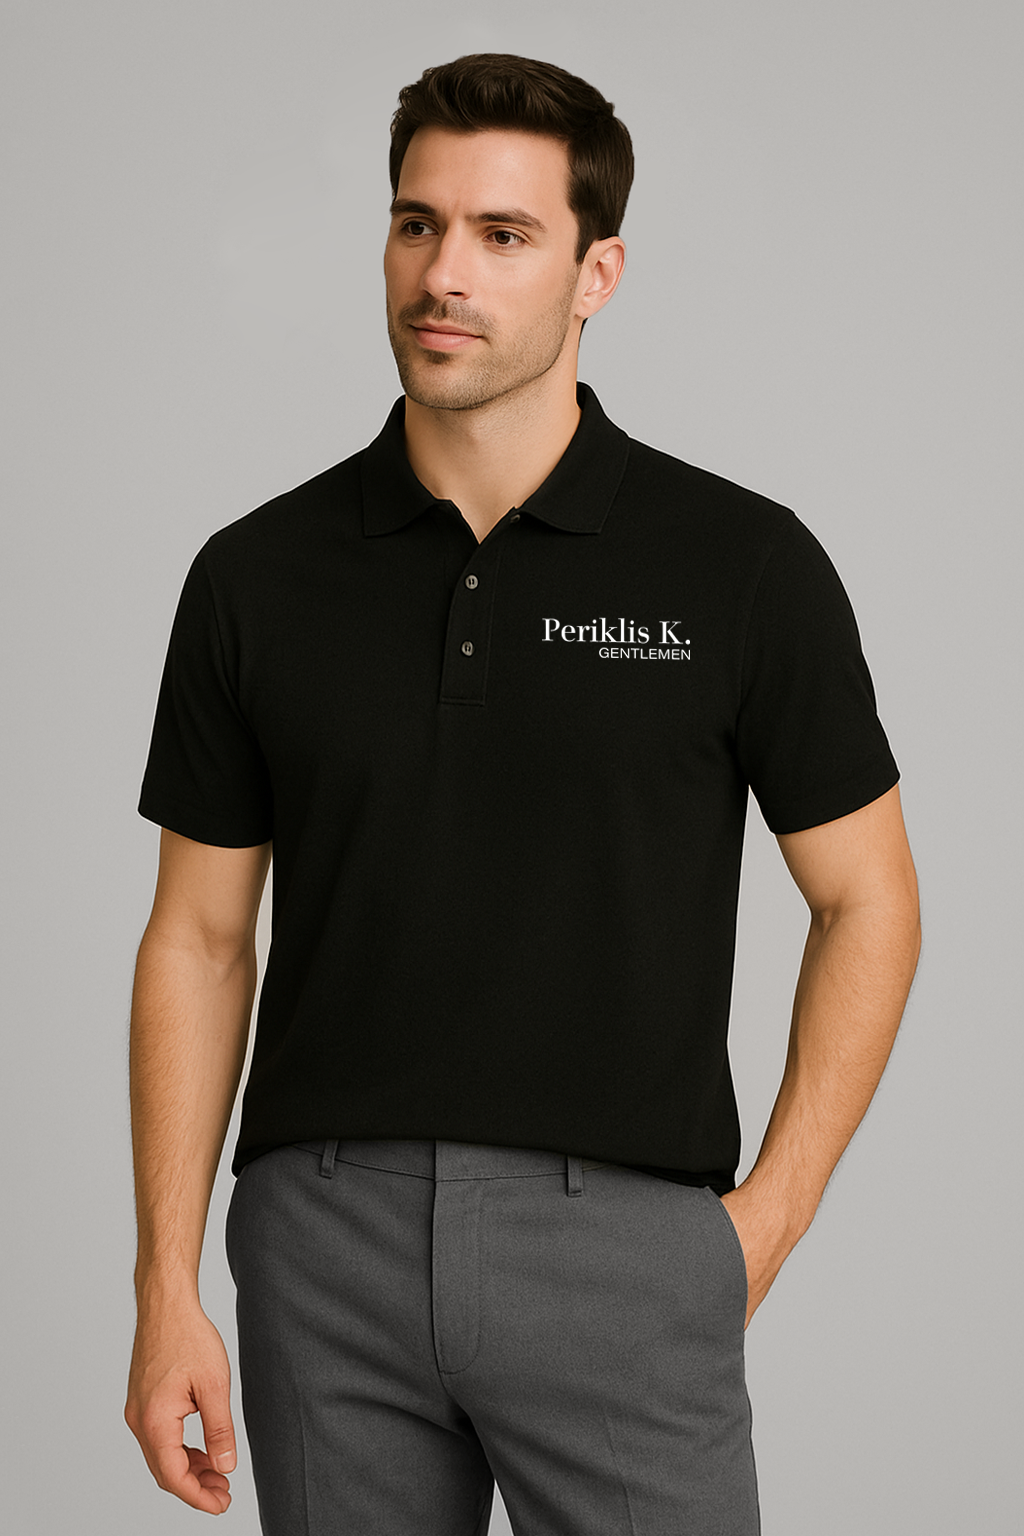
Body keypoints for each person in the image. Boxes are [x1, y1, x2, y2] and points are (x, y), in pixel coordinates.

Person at [124, 53, 921, 1534]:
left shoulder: (741, 565)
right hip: (325, 1247)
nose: (446, 274)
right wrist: (165, 1280)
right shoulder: (256, 575)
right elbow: (200, 937)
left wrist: (762, 1225)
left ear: (595, 271)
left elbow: (870, 899)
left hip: (623, 1247)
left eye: (504, 235)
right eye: (417, 224)